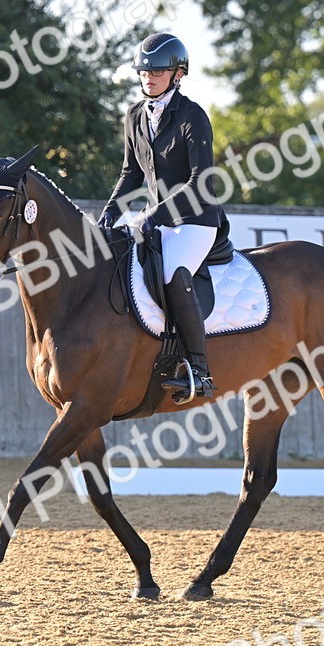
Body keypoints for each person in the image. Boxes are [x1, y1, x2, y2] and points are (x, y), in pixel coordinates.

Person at [99, 32, 227, 399]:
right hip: (156, 220)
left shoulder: (192, 116)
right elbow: (131, 174)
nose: (148, 78)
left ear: (177, 74)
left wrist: (155, 215)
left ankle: (199, 370)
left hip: (196, 221)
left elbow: (201, 181)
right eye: (143, 72)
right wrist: (110, 213)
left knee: (172, 272)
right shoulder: (135, 116)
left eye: (156, 72)